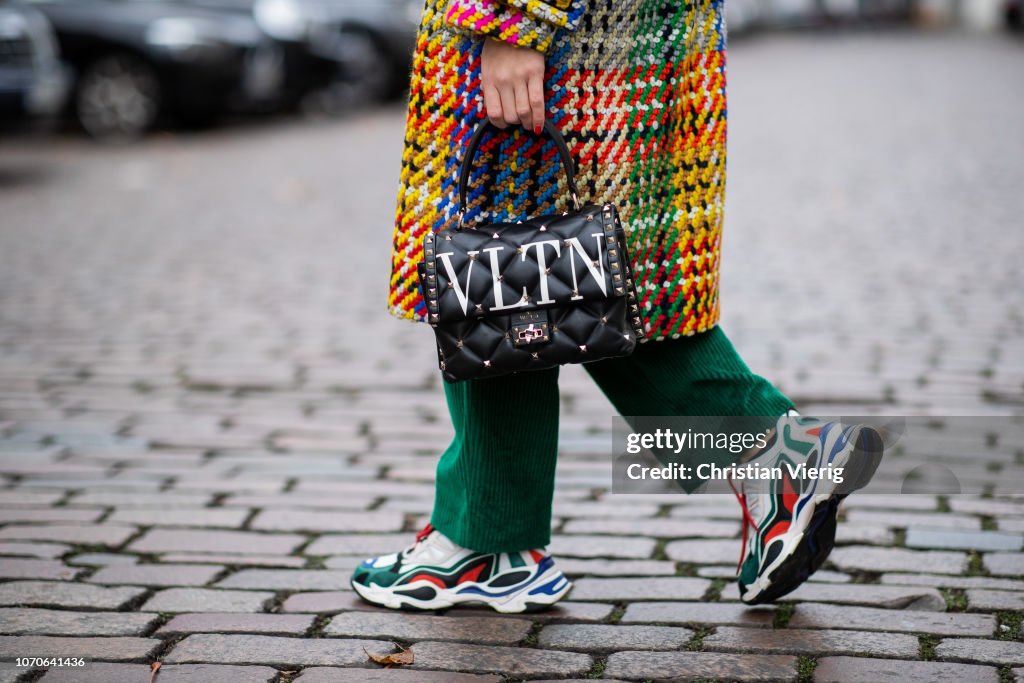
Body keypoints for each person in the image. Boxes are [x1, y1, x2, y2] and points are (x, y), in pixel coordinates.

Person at [350, 0, 883, 612]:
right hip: (611, 35)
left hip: (564, 39)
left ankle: (489, 544)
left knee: (501, 271)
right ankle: (770, 454)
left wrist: (512, 22)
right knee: (578, 281)